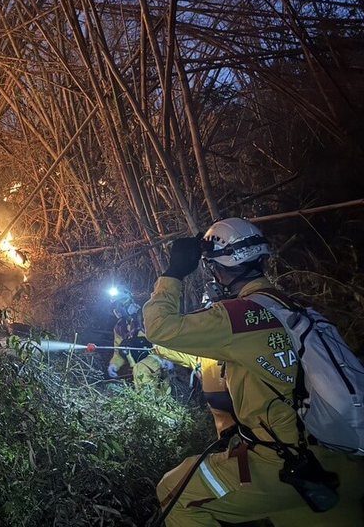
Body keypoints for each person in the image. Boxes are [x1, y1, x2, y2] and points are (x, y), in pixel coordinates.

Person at [143, 217, 363, 526]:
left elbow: (159, 328)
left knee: (175, 492)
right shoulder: (297, 309)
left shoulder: (237, 317)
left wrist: (174, 272)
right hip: (340, 459)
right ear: (261, 259)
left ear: (216, 270)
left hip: (284, 465)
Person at [107, 287, 173, 393]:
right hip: (138, 362)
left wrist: (168, 357)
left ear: (131, 301)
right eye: (116, 306)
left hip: (157, 357)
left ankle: (151, 404)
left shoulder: (145, 318)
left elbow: (163, 336)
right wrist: (114, 364)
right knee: (145, 378)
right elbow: (118, 350)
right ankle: (155, 406)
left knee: (143, 371)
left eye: (123, 303)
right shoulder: (120, 327)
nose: (120, 308)